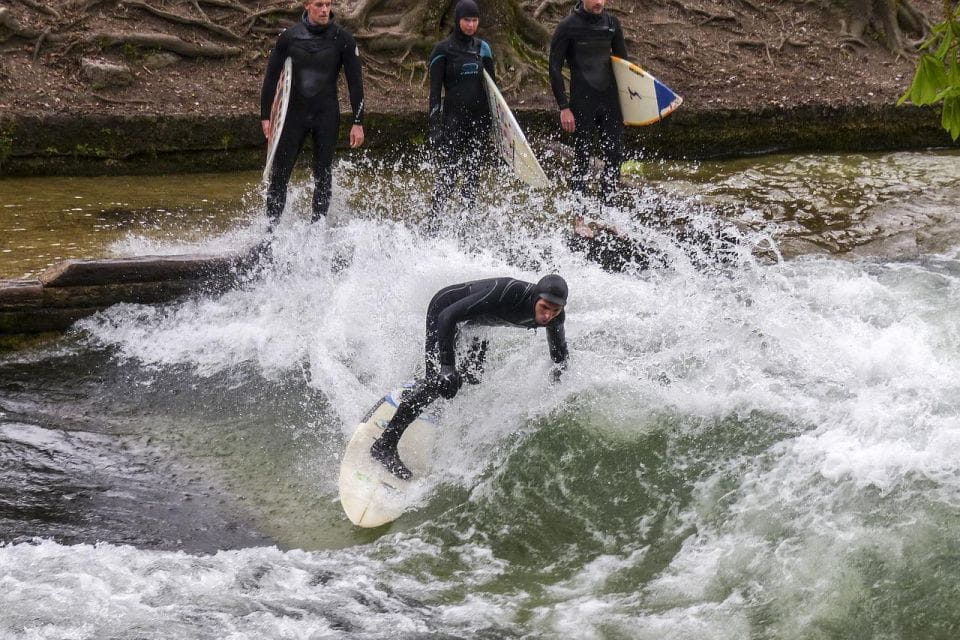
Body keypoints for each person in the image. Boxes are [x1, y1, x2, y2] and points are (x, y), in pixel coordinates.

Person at [371, 274, 570, 480]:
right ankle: (383, 446)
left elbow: (559, 355)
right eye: (544, 307)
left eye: (555, 311)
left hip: (477, 324)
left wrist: (559, 382)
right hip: (446, 311)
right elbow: (447, 316)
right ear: (535, 298)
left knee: (472, 377)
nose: (548, 316)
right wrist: (447, 367)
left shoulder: (555, 318)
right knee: (437, 383)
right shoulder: (510, 292)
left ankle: (427, 397)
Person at [260, 0, 365, 230]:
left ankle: (317, 229)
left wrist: (358, 122)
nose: (325, 9)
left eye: (328, 4)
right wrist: (266, 116)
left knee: (323, 174)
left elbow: (355, 83)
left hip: (325, 115)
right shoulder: (289, 37)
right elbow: (272, 77)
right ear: (307, 5)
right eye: (319, 4)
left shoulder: (342, 39)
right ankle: (270, 230)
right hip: (292, 116)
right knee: (280, 174)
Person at [549, 0, 628, 205]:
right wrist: (564, 107)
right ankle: (579, 217)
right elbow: (554, 68)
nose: (599, 2)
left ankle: (607, 209)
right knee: (582, 156)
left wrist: (629, 107)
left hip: (610, 100)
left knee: (614, 155)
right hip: (582, 101)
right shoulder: (568, 26)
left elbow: (624, 65)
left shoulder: (612, 23)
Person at [427, 0, 496, 222]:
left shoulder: (482, 48)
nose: (471, 25)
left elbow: (493, 91)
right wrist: (435, 126)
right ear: (458, 21)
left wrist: (496, 123)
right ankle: (435, 221)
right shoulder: (442, 50)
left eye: (475, 20)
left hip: (479, 120)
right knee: (448, 175)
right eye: (467, 20)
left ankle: (465, 224)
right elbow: (435, 93)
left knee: (473, 175)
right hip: (453, 121)